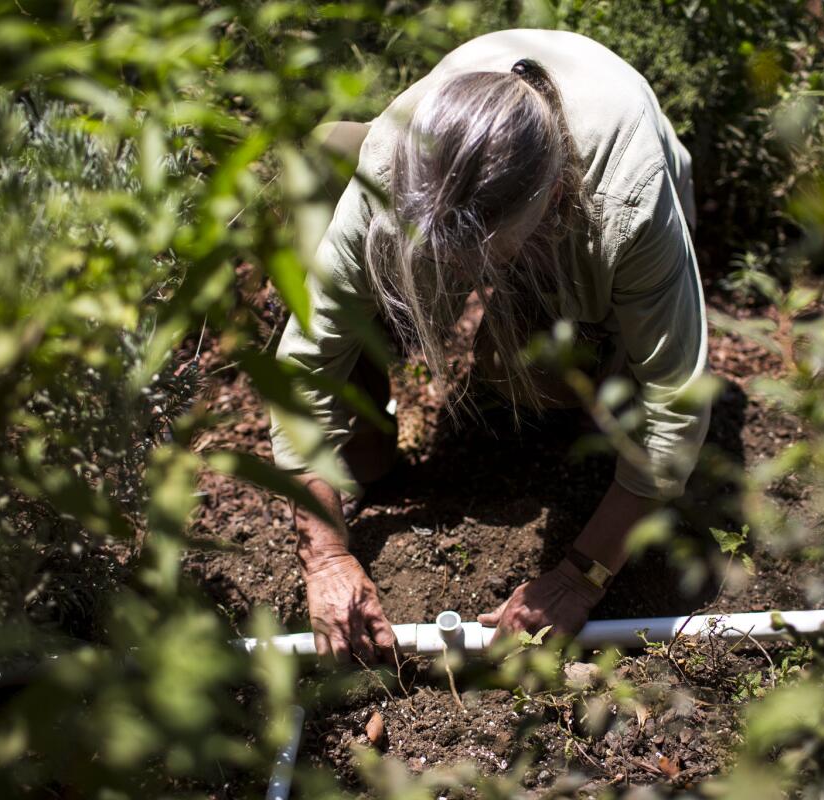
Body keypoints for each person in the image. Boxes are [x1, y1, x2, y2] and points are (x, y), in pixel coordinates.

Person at [271, 29, 710, 663]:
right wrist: (325, 555)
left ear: (552, 199)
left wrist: (580, 574)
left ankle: (556, 388)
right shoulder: (393, 161)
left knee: (536, 386)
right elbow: (308, 356)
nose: (457, 278)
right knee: (327, 153)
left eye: (475, 261)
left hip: (596, 218)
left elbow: (678, 406)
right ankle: (362, 453)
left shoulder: (626, 204)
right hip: (488, 198)